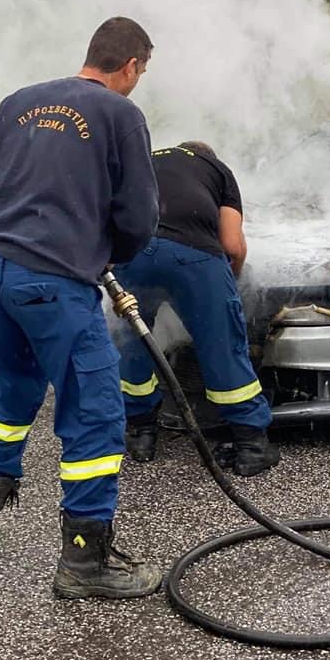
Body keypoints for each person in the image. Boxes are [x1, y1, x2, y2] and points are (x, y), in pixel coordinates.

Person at [0, 16, 163, 599]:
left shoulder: (21, 102)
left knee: (12, 397)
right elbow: (139, 219)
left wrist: (10, 239)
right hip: (56, 286)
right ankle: (85, 565)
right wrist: (95, 253)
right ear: (133, 64)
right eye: (143, 70)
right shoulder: (121, 115)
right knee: (96, 413)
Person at [114, 141, 280, 477]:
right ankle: (251, 444)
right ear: (208, 157)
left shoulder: (143, 159)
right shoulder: (217, 169)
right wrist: (225, 288)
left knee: (132, 340)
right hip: (193, 256)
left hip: (131, 252)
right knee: (221, 343)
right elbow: (232, 245)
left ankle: (141, 432)